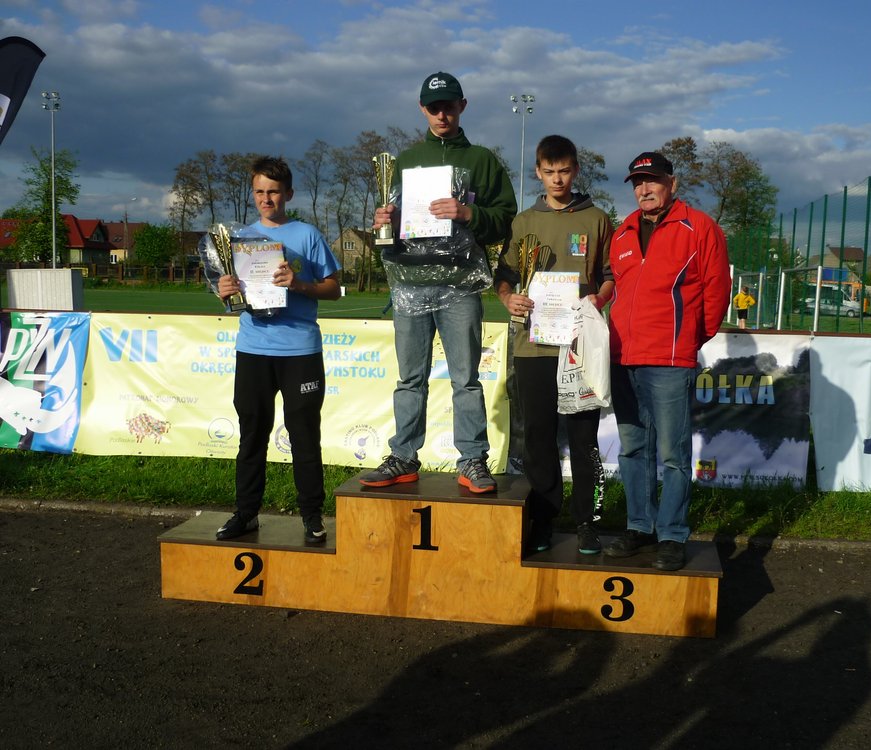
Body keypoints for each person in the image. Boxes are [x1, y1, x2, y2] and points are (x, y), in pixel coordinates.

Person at [360, 71, 516, 493]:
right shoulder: (406, 161)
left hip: (460, 284)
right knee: (410, 378)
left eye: (448, 105)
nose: (442, 114)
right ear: (422, 109)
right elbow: (391, 231)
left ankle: (472, 460)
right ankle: (403, 456)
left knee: (465, 378)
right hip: (410, 282)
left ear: (462, 106)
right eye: (434, 107)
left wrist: (469, 214)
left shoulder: (482, 160)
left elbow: (506, 218)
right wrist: (383, 223)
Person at [604, 152, 730, 571]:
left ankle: (672, 534)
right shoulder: (622, 232)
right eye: (637, 182)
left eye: (653, 180)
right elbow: (617, 290)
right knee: (633, 449)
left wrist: (689, 339)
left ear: (672, 184)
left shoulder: (700, 227)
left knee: (673, 453)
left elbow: (716, 293)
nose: (644, 189)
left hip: (670, 359)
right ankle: (640, 526)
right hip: (623, 356)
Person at [494, 135, 614, 555]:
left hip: (580, 345)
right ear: (538, 172)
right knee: (538, 436)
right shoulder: (524, 221)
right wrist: (509, 299)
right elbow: (505, 276)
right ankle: (543, 520)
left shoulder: (597, 218)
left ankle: (588, 522)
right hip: (534, 345)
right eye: (549, 172)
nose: (558, 179)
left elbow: (610, 275)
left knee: (584, 438)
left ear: (576, 170)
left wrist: (599, 299)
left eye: (564, 171)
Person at [215, 155, 342, 544]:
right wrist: (224, 292)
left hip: (300, 350)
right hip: (253, 348)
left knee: (304, 434)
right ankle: (246, 513)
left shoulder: (307, 235)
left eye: (273, 191)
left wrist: (298, 284)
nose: (266, 199)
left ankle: (312, 516)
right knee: (252, 433)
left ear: (288, 193)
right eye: (259, 191)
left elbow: (334, 289)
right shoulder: (239, 239)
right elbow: (232, 294)